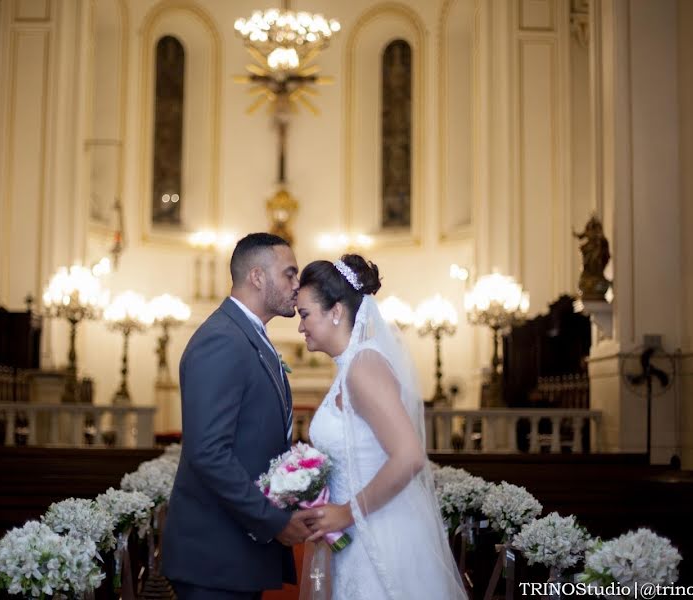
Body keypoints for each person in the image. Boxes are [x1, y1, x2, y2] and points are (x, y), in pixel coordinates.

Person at [162, 233, 323, 600]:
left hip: (234, 552)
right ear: (257, 277)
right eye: (289, 274)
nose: (298, 286)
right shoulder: (221, 340)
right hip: (214, 556)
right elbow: (208, 453)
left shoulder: (247, 336)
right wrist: (274, 521)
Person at [297, 255, 467, 599]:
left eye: (305, 315)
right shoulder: (349, 368)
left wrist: (347, 512)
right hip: (353, 536)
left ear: (335, 312)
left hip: (377, 534)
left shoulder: (364, 366)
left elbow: (408, 456)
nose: (300, 327)